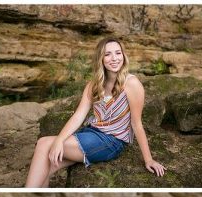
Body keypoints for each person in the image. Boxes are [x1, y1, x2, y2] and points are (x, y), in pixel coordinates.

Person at [25, 37, 166, 187]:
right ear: (101, 59)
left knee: (43, 144)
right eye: (108, 54)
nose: (114, 58)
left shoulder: (132, 84)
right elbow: (78, 116)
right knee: (46, 166)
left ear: (123, 56)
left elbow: (136, 124)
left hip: (111, 141)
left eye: (118, 53)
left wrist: (148, 159)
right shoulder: (94, 84)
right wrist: (59, 140)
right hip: (92, 132)